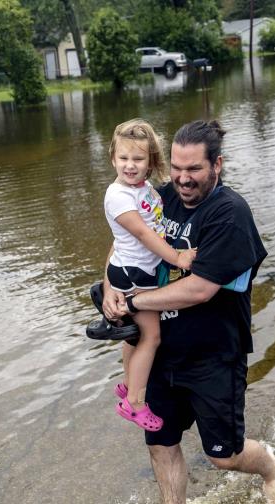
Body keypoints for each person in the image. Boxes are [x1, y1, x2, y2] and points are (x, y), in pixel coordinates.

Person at [102, 120, 275, 503]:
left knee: (224, 456)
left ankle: (272, 468)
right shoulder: (159, 197)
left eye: (194, 170)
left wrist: (134, 303)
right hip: (158, 350)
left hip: (212, 355)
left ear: (217, 165)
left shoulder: (230, 215)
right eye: (176, 168)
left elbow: (200, 288)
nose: (183, 179)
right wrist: (111, 288)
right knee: (161, 444)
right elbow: (125, 240)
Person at [102, 119, 197, 431]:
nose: (130, 166)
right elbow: (143, 235)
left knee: (134, 335)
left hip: (133, 270)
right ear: (113, 158)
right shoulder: (118, 196)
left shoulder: (143, 189)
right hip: (133, 274)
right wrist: (179, 258)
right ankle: (135, 403)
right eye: (124, 158)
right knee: (150, 337)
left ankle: (129, 382)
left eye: (138, 159)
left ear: (151, 162)